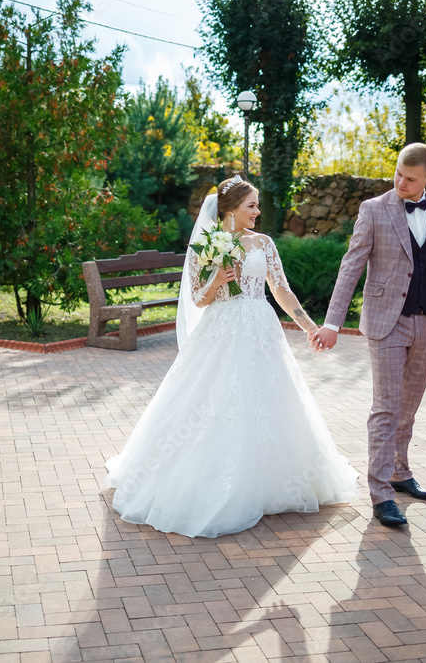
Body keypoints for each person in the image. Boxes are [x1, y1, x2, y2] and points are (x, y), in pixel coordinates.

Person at [105, 175, 359, 538]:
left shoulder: (264, 243)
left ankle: (274, 480)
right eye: (251, 205)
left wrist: (308, 327)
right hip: (220, 330)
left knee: (270, 399)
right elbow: (198, 299)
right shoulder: (206, 246)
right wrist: (217, 280)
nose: (257, 211)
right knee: (214, 400)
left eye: (256, 205)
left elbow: (282, 291)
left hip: (260, 328)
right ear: (230, 210)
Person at [312, 143, 426, 527]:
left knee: (408, 408)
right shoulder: (374, 210)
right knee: (386, 408)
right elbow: (351, 267)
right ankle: (380, 494)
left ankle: (400, 472)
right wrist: (332, 323)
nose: (400, 183)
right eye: (398, 174)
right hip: (386, 323)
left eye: (410, 179)